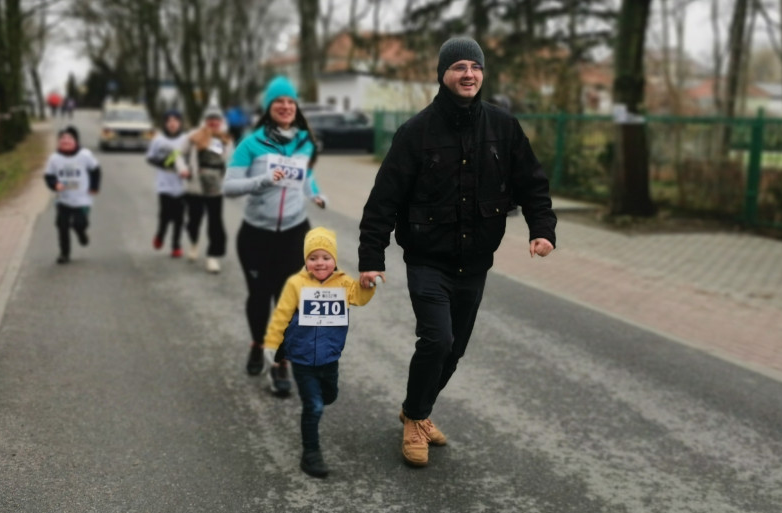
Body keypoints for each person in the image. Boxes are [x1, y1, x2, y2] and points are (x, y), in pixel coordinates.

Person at [357, 37, 556, 468]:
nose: (469, 74)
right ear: (443, 74)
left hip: (476, 263)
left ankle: (417, 409)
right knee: (437, 339)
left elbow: (532, 184)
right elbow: (383, 201)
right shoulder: (416, 132)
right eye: (459, 66)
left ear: (483, 75)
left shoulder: (503, 128)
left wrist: (543, 230)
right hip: (428, 260)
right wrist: (371, 258)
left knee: (455, 348)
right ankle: (416, 419)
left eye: (476, 67)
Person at [223, 76, 327, 397]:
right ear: (269, 108)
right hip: (257, 235)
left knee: (290, 301)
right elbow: (229, 187)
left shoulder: (304, 142)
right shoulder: (250, 144)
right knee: (259, 296)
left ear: (296, 107)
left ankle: (280, 362)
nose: (285, 106)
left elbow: (305, 175)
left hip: (295, 232)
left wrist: (316, 193)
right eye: (279, 101)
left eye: (290, 101)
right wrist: (263, 180)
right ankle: (257, 342)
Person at [262, 226, 376, 478]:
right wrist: (271, 343)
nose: (320, 263)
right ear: (306, 260)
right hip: (301, 358)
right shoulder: (296, 283)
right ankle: (310, 453)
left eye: (326, 257)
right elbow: (281, 314)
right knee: (313, 406)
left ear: (334, 259)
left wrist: (368, 283)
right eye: (313, 258)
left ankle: (320, 397)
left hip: (330, 356)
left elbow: (359, 297)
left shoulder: (344, 283)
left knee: (329, 395)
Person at [183, 104, 233, 273]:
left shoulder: (225, 139)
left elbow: (231, 161)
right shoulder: (193, 137)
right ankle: (194, 242)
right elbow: (178, 155)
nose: (213, 122)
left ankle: (213, 256)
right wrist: (182, 168)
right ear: (205, 121)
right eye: (210, 119)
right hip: (196, 183)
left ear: (221, 121)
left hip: (216, 185)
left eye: (216, 119)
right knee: (194, 220)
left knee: (215, 221)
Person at [44, 126, 101, 264]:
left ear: (76, 141)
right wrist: (54, 184)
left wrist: (94, 186)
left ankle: (82, 235)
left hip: (82, 199)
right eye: (62, 139)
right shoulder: (54, 158)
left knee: (79, 223)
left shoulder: (84, 155)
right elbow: (48, 176)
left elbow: (96, 170)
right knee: (62, 226)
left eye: (69, 138)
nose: (65, 141)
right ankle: (64, 253)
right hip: (63, 199)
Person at [147, 110, 190, 258]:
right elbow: (150, 158)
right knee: (165, 214)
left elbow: (193, 156)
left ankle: (176, 245)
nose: (172, 123)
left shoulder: (186, 139)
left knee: (179, 216)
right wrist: (165, 163)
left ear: (180, 123)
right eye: (169, 121)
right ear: (165, 124)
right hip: (164, 183)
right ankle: (160, 235)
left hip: (182, 183)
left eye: (175, 120)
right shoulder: (158, 140)